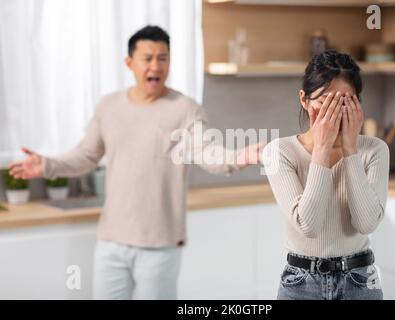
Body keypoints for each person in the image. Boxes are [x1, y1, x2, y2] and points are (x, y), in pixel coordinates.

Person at [9, 25, 263, 300]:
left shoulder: (185, 109)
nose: (156, 65)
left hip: (160, 243)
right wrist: (46, 165)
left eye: (163, 58)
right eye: (148, 58)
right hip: (111, 242)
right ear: (129, 63)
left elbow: (206, 152)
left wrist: (237, 158)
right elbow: (86, 155)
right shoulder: (109, 106)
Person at [262, 50, 389, 300]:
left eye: (344, 103)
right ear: (304, 100)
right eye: (325, 102)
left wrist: (351, 150)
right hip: (301, 283)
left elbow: (367, 224)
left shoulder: (374, 150)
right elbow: (308, 225)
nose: (334, 114)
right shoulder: (279, 152)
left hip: (360, 281)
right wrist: (321, 149)